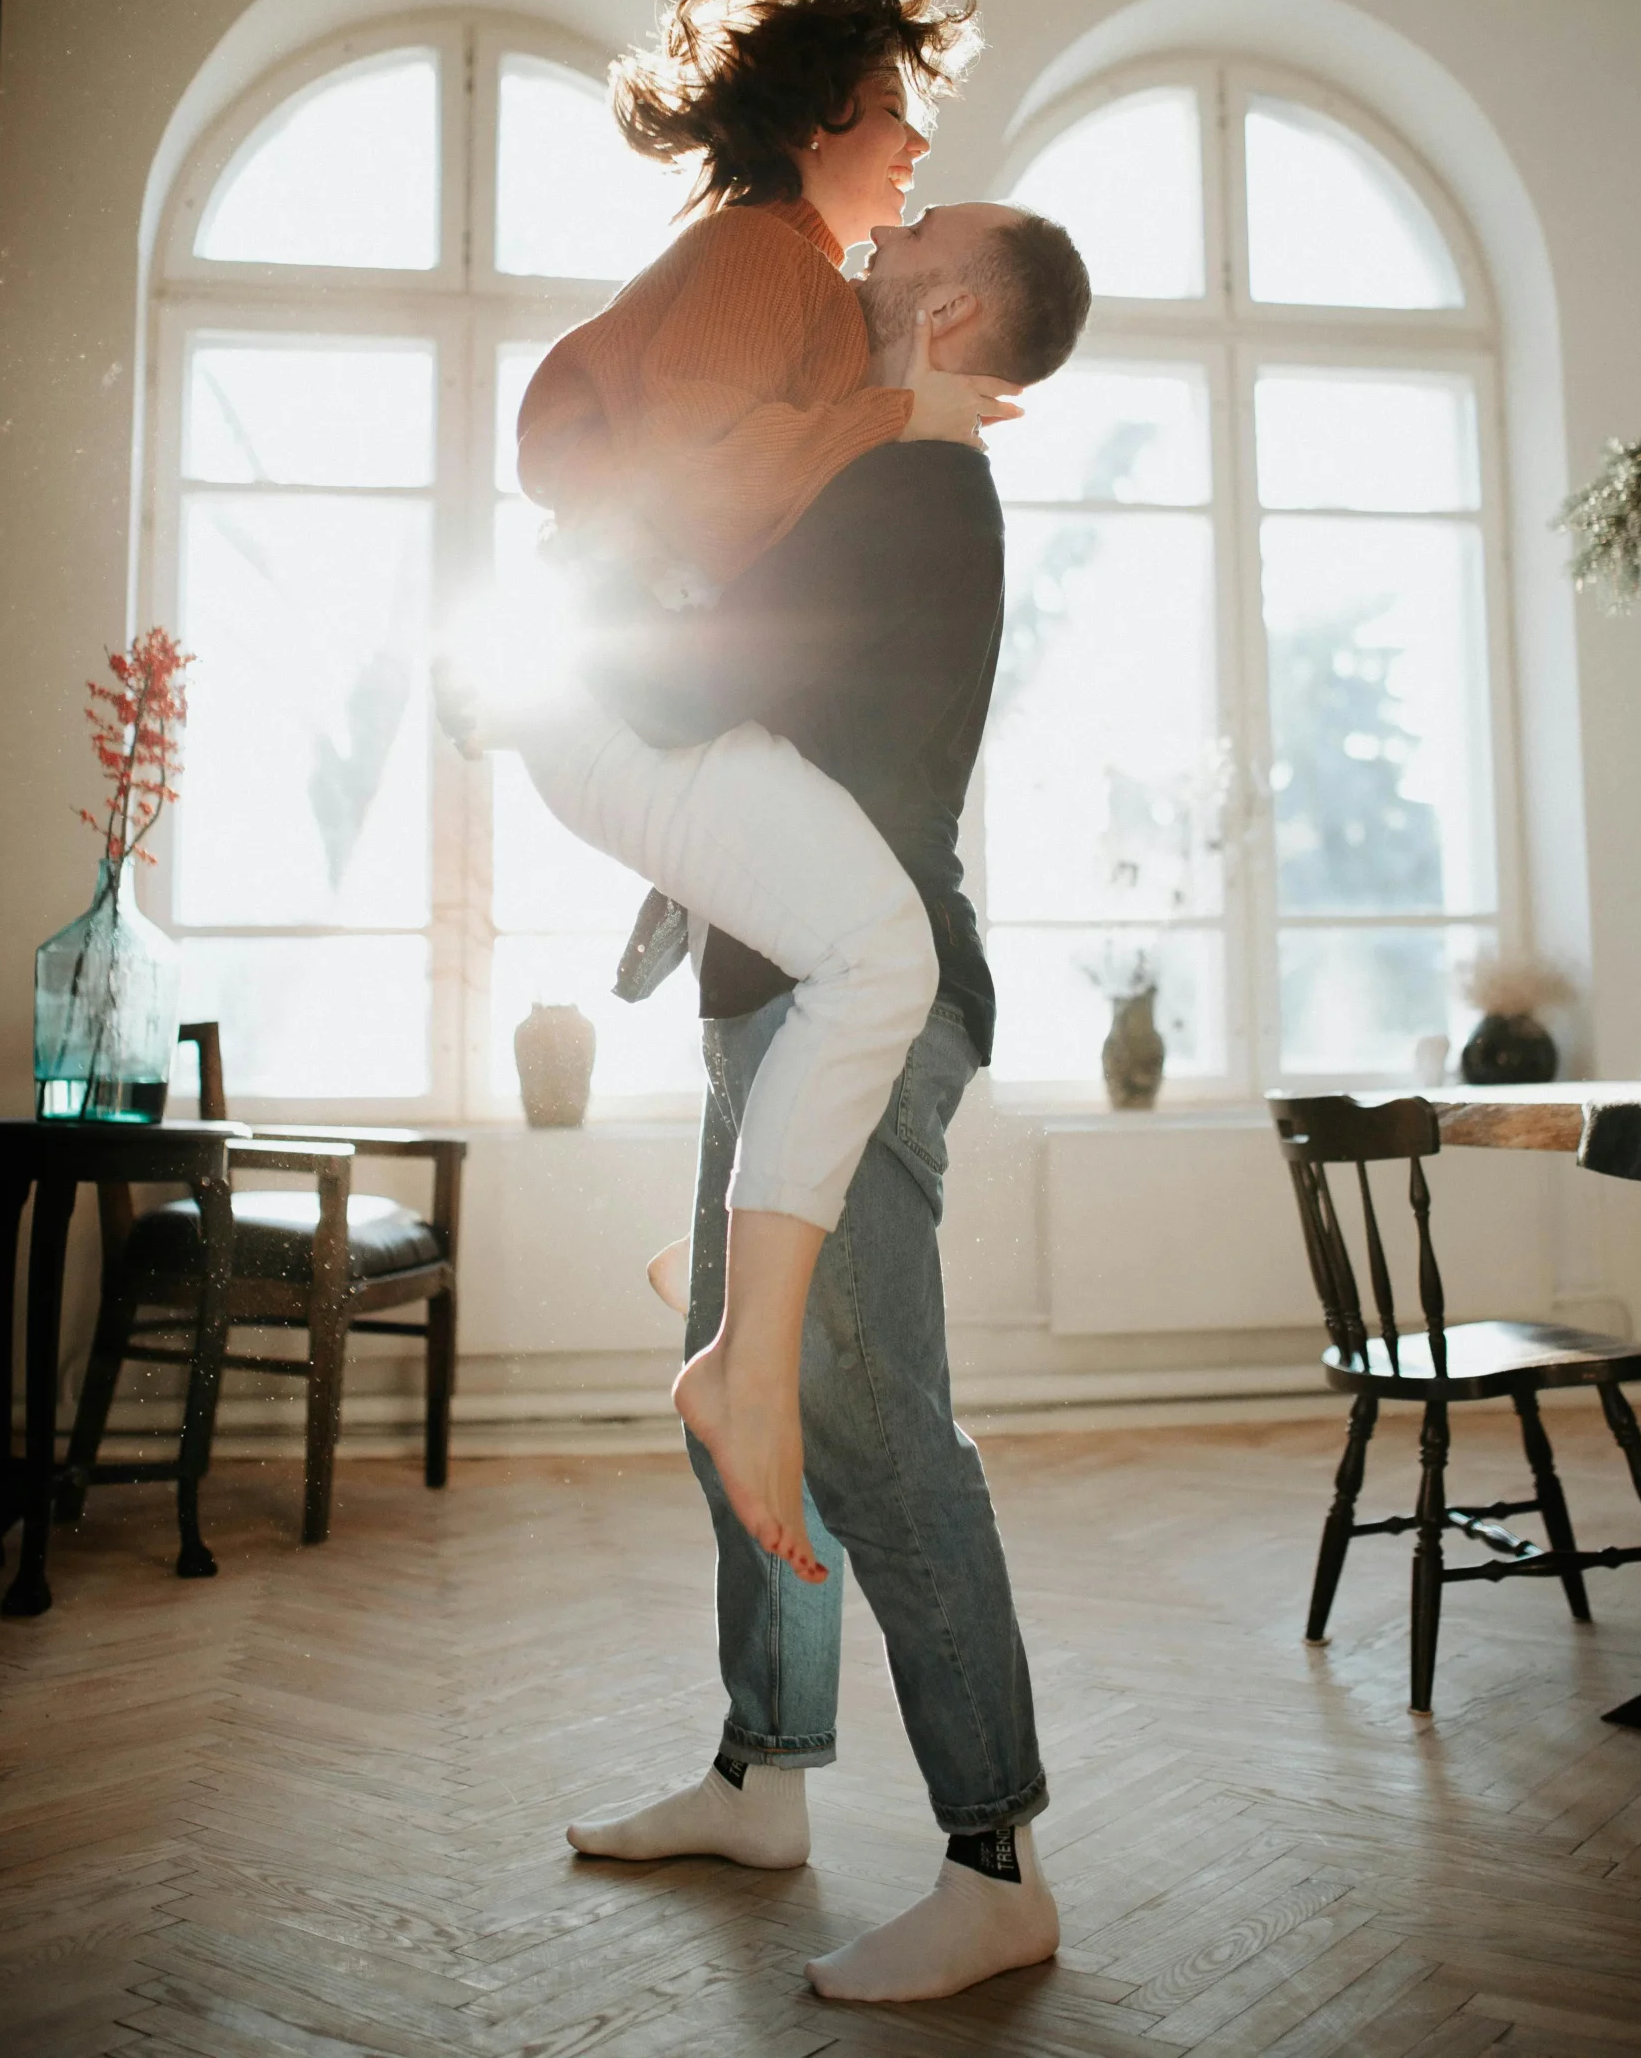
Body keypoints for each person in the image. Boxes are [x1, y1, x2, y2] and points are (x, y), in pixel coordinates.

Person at [447, 0, 1083, 1588]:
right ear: (820, 128)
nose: (917, 150)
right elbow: (689, 500)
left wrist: (893, 398)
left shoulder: (811, 300)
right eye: (897, 119)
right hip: (598, 713)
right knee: (880, 951)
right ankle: (736, 1346)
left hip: (603, 711)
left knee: (871, 951)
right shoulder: (761, 257)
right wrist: (895, 408)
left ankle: (725, 1303)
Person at [567, 214, 1089, 2002]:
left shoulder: (915, 485)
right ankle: (760, 1779)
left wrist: (580, 616)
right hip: (772, 999)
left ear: (945, 305)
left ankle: (993, 1857)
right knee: (742, 1394)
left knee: (867, 1429)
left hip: (859, 1007)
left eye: (921, 231)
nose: (887, 221)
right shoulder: (873, 464)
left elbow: (707, 680)